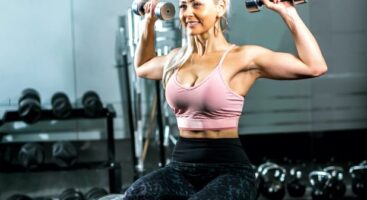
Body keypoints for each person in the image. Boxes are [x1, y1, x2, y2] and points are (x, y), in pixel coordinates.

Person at [124, 0, 327, 199]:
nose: (187, 13)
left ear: (220, 7)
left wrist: (288, 12)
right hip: (180, 170)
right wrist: (149, 21)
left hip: (229, 172)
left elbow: (314, 66)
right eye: (183, 6)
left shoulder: (243, 57)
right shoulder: (176, 59)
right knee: (137, 194)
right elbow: (142, 66)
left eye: (196, 4)